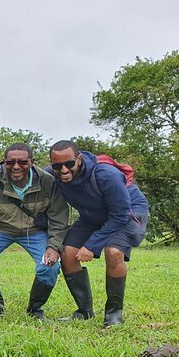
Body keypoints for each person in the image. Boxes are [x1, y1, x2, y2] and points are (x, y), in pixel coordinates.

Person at [47, 140, 149, 327]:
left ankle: (113, 315)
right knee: (67, 254)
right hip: (92, 215)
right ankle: (84, 311)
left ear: (78, 159)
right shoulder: (52, 172)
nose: (63, 170)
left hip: (127, 213)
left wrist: (92, 246)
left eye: (69, 164)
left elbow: (120, 214)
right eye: (57, 166)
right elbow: (28, 173)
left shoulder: (106, 175)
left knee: (113, 252)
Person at [0, 143, 69, 319]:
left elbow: (58, 219)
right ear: (4, 162)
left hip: (35, 231)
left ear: (32, 162)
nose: (16, 167)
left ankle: (35, 309)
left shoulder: (47, 182)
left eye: (22, 162)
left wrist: (53, 246)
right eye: (10, 162)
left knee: (51, 265)